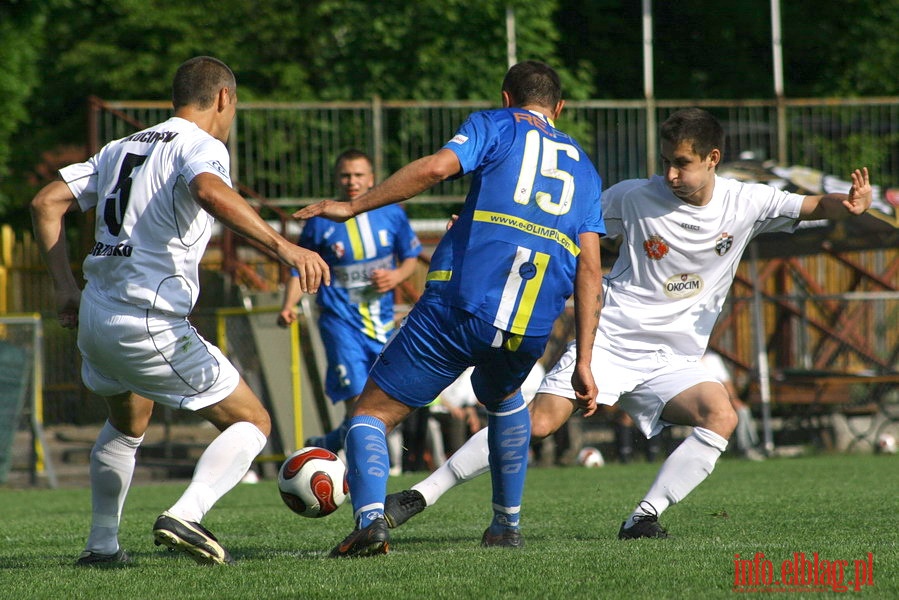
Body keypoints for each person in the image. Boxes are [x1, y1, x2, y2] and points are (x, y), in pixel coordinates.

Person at [382, 107, 872, 540]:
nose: (671, 174)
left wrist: (846, 203)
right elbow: (558, 223)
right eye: (666, 162)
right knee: (540, 422)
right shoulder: (632, 197)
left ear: (713, 158)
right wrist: (476, 226)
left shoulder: (747, 201)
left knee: (721, 414)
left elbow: (809, 206)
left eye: (682, 163)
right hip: (611, 341)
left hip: (673, 358)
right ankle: (421, 494)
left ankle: (643, 516)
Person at [294, 60, 605, 556]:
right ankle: (506, 526)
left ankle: (370, 521)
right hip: (531, 322)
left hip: (461, 306)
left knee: (371, 414)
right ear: (559, 108)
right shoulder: (586, 170)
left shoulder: (494, 124)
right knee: (503, 399)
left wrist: (352, 206)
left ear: (507, 99)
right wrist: (584, 360)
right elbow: (590, 270)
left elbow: (438, 168)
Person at [29, 56, 329, 567]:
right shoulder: (200, 145)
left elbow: (46, 202)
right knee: (253, 422)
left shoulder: (122, 145)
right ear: (223, 99)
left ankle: (101, 547)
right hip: (148, 320)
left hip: (96, 315)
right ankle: (186, 515)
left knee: (128, 421)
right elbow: (210, 192)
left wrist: (63, 288)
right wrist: (286, 249)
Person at [277, 149, 422, 454]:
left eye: (358, 175)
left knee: (380, 406)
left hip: (382, 324)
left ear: (371, 179)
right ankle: (355, 477)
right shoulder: (321, 222)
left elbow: (410, 259)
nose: (352, 181)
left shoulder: (392, 213)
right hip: (340, 323)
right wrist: (288, 305)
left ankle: (325, 446)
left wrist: (396, 277)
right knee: (356, 402)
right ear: (337, 178)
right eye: (346, 175)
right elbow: (298, 267)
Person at [701, 350, 764, 461]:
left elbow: (726, 381)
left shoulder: (712, 358)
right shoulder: (686, 359)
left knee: (743, 410)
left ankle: (747, 447)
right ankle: (709, 453)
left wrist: (734, 399)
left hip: (720, 400)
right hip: (701, 402)